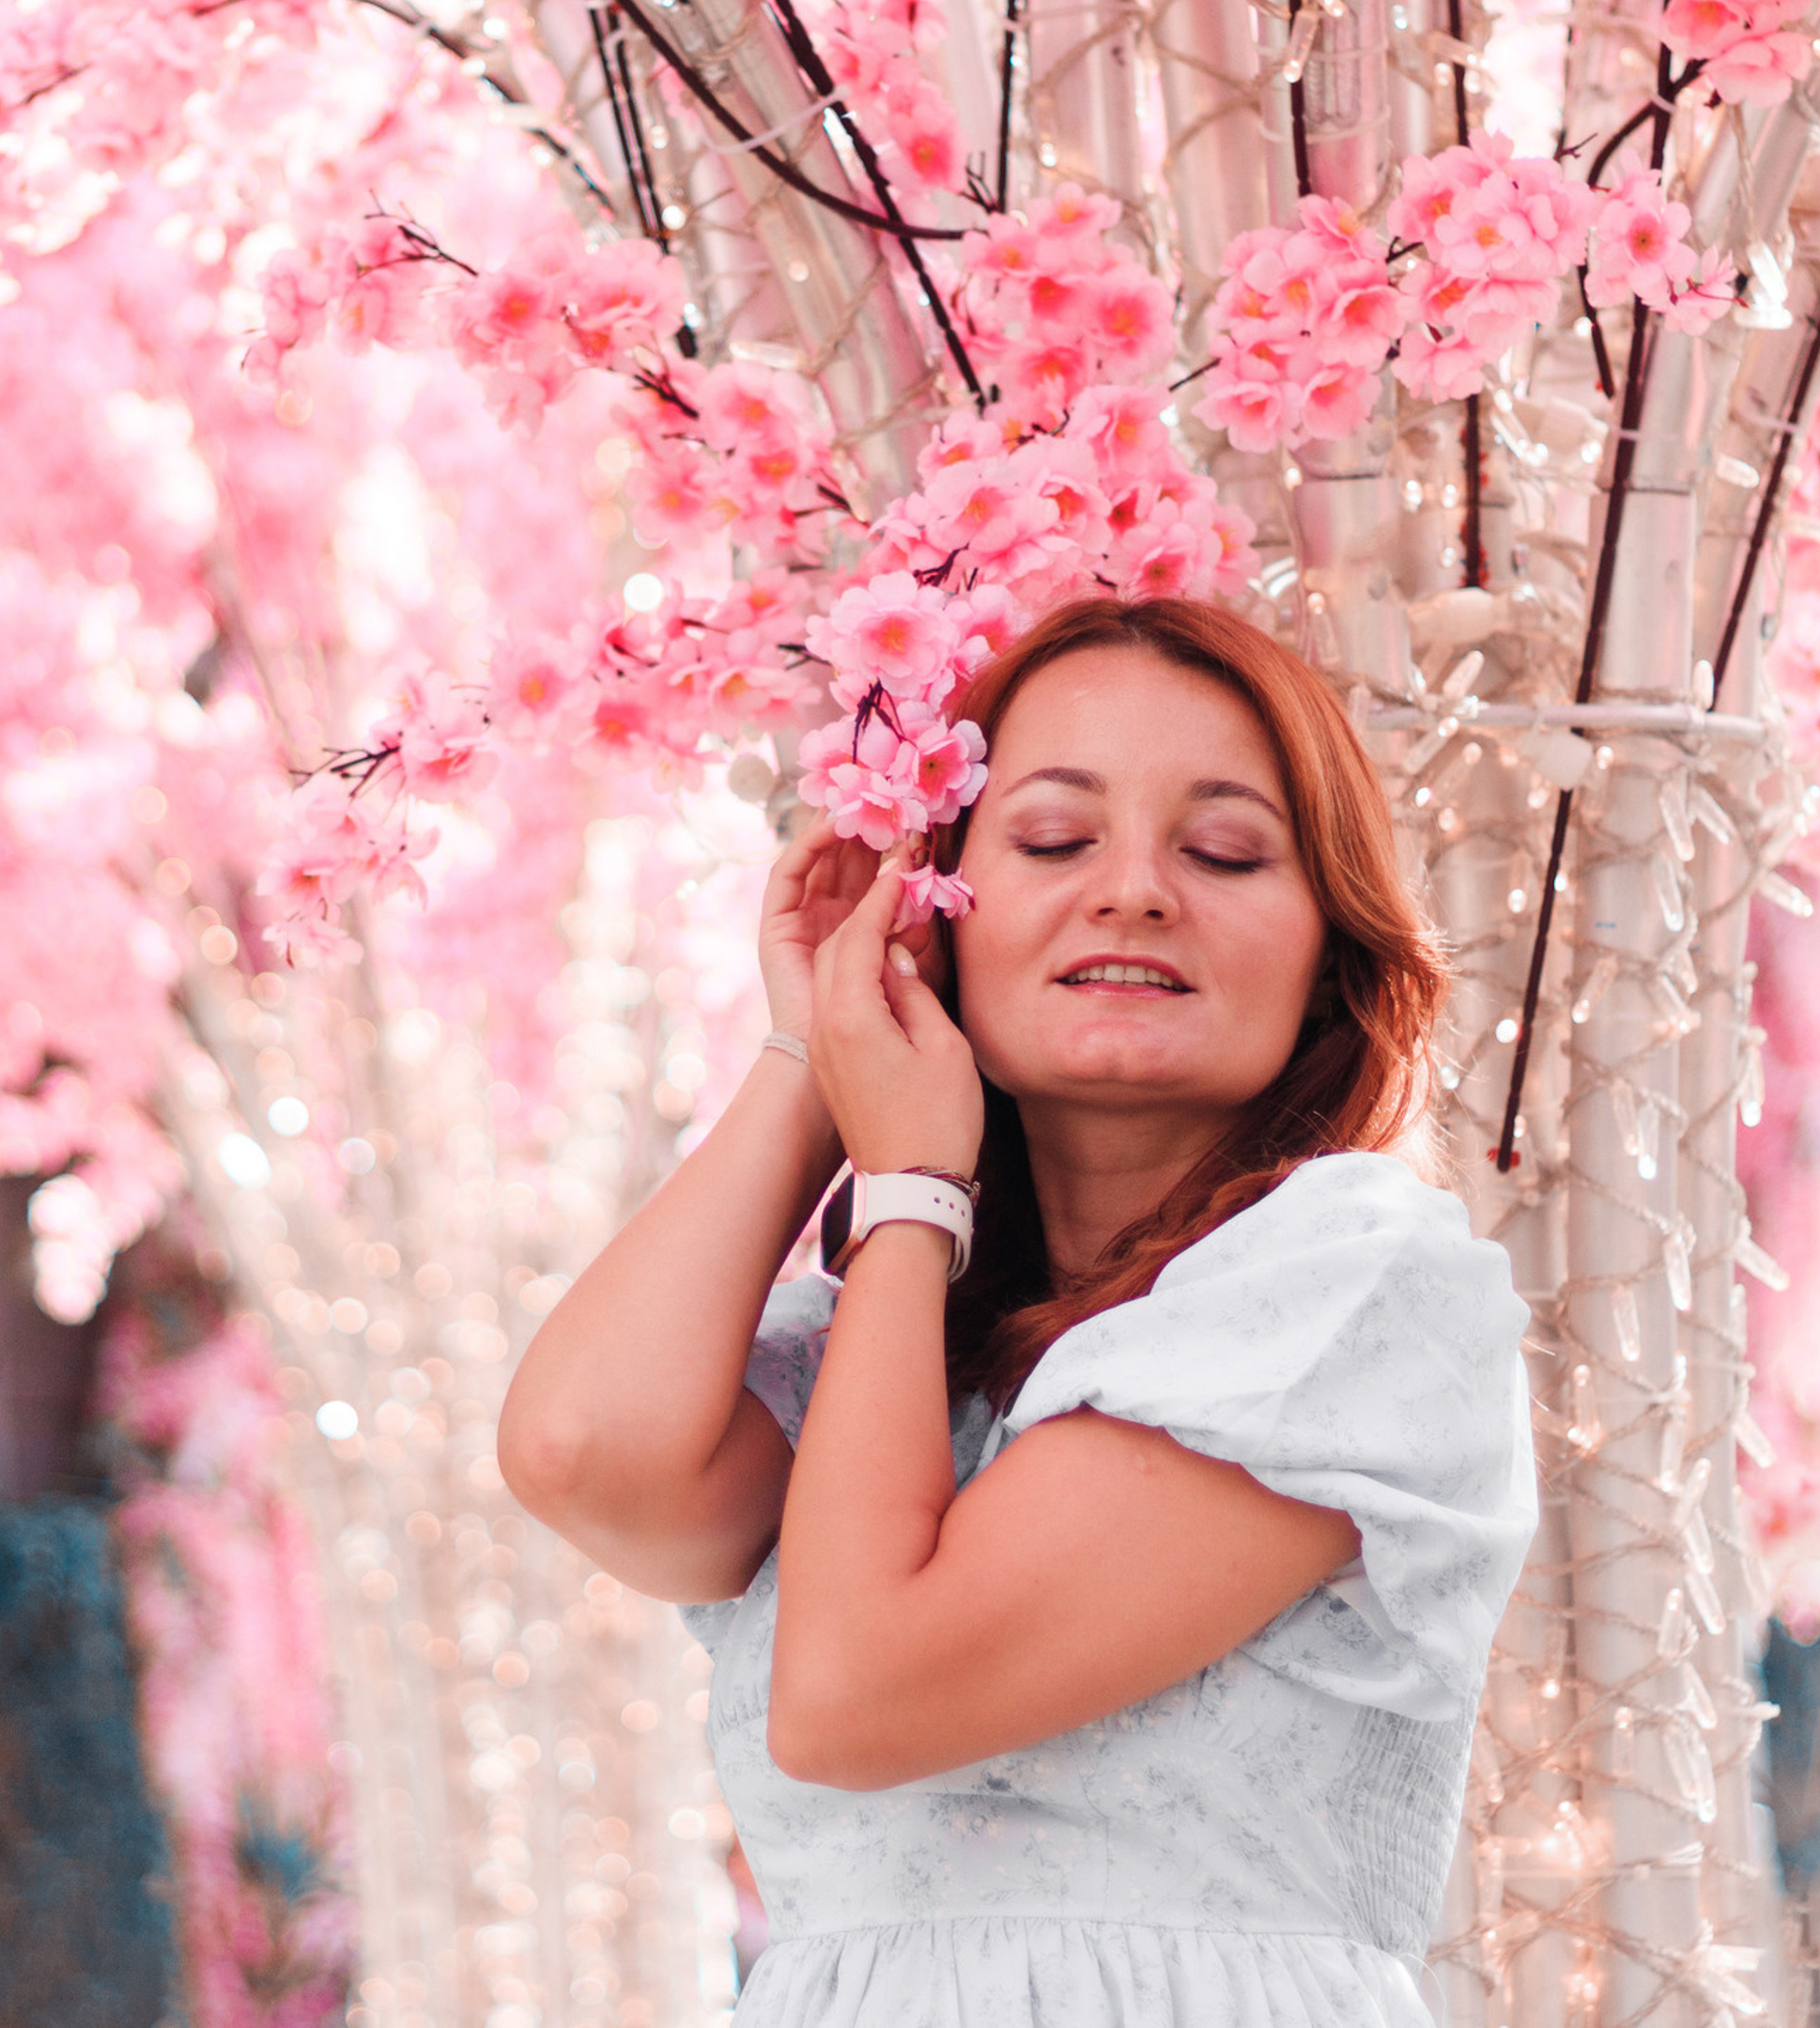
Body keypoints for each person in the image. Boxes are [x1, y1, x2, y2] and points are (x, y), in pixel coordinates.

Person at [498, 596, 1535, 2026]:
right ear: (939, 917)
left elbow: (857, 1691)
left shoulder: (1357, 1293)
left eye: (1225, 848)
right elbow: (581, 1452)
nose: (1134, 891)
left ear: (1328, 959)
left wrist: (913, 1181)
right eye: (1053, 840)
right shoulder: (906, 1359)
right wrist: (819, 1045)